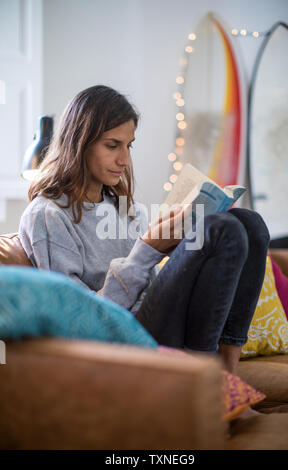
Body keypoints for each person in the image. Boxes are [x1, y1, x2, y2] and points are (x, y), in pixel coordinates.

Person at [19, 85, 270, 386]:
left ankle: (228, 375)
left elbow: (151, 286)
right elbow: (81, 322)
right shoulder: (47, 216)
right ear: (79, 143)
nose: (124, 159)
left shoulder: (126, 208)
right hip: (121, 338)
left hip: (158, 320)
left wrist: (174, 247)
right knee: (222, 230)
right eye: (112, 145)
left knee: (249, 223)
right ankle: (206, 387)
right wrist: (148, 249)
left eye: (129, 146)